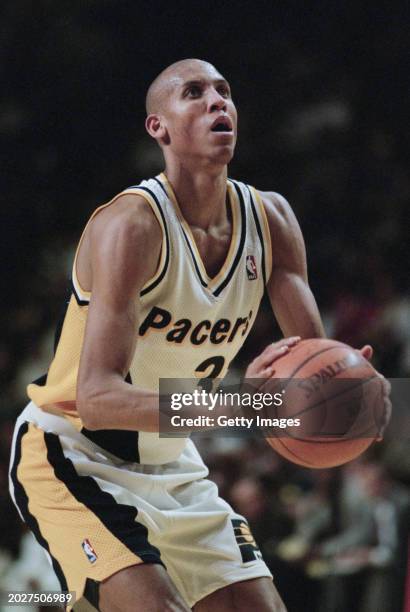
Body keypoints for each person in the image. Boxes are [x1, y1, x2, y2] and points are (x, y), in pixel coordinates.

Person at [8, 59, 390, 612]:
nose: (218, 102)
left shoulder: (272, 221)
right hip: (74, 452)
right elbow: (96, 398)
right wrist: (242, 409)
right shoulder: (132, 225)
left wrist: (351, 398)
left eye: (225, 92)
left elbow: (313, 374)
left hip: (174, 462)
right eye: (195, 93)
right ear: (158, 128)